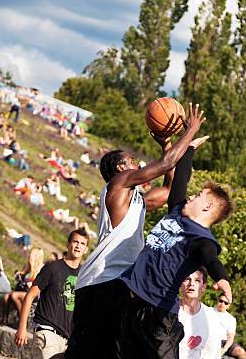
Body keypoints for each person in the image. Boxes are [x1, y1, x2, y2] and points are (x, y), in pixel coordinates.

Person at [67, 103, 206, 358]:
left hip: (121, 284)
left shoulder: (137, 199)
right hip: (100, 281)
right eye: (131, 161)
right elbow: (166, 163)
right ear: (120, 168)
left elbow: (169, 189)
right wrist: (189, 133)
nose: (137, 162)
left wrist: (166, 142)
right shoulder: (117, 184)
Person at [118, 134, 234, 358]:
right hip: (130, 301)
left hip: (159, 315)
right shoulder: (176, 212)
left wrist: (222, 278)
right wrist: (189, 148)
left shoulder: (201, 239)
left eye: (199, 196)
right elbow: (181, 177)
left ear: (208, 206)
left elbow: (210, 257)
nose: (191, 196)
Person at [15, 229, 89, 359]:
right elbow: (30, 296)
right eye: (75, 242)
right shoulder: (52, 268)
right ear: (68, 244)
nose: (78, 246)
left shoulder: (84, 275)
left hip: (67, 340)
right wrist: (22, 327)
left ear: (86, 249)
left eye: (82, 243)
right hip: (47, 333)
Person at [178, 268, 223, 359]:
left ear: (203, 287)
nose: (192, 284)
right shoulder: (170, 312)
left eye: (197, 280)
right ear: (180, 284)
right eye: (187, 279)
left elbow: (213, 354)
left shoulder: (211, 317)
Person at [4, 247, 45, 314]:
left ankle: (23, 317)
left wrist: (31, 284)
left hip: (34, 294)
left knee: (14, 295)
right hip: (24, 291)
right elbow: (22, 276)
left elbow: (40, 286)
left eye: (30, 255)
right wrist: (19, 275)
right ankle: (5, 318)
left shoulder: (41, 270)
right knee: (6, 296)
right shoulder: (28, 267)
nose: (28, 256)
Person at [215, 293, 246, 359]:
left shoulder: (231, 319)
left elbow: (230, 337)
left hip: (224, 342)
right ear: (217, 300)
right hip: (211, 340)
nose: (222, 304)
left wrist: (224, 349)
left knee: (241, 352)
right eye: (221, 301)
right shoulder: (208, 311)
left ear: (228, 306)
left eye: (226, 303)